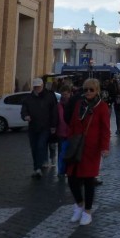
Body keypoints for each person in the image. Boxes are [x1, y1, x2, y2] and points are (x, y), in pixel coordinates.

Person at [66, 79, 110, 226]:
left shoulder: (102, 107)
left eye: (91, 90)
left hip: (92, 148)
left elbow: (105, 129)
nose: (88, 92)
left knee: (88, 180)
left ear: (97, 90)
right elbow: (72, 123)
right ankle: (79, 204)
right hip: (77, 145)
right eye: (86, 90)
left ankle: (88, 212)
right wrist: (70, 138)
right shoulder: (79, 104)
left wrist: (104, 147)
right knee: (71, 178)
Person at [21, 77, 57, 178]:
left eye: (38, 87)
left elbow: (54, 112)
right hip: (33, 127)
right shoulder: (28, 98)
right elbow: (24, 110)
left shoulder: (49, 96)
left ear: (42, 86)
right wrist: (25, 116)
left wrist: (53, 125)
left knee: (41, 146)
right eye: (35, 87)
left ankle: (39, 166)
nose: (37, 89)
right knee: (34, 148)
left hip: (45, 127)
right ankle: (37, 168)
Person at [55, 83, 74, 178]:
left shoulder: (74, 104)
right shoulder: (58, 105)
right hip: (61, 132)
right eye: (63, 94)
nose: (64, 96)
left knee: (71, 152)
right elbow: (56, 118)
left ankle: (70, 170)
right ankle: (61, 171)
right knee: (61, 152)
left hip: (72, 132)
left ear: (70, 94)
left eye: (66, 94)